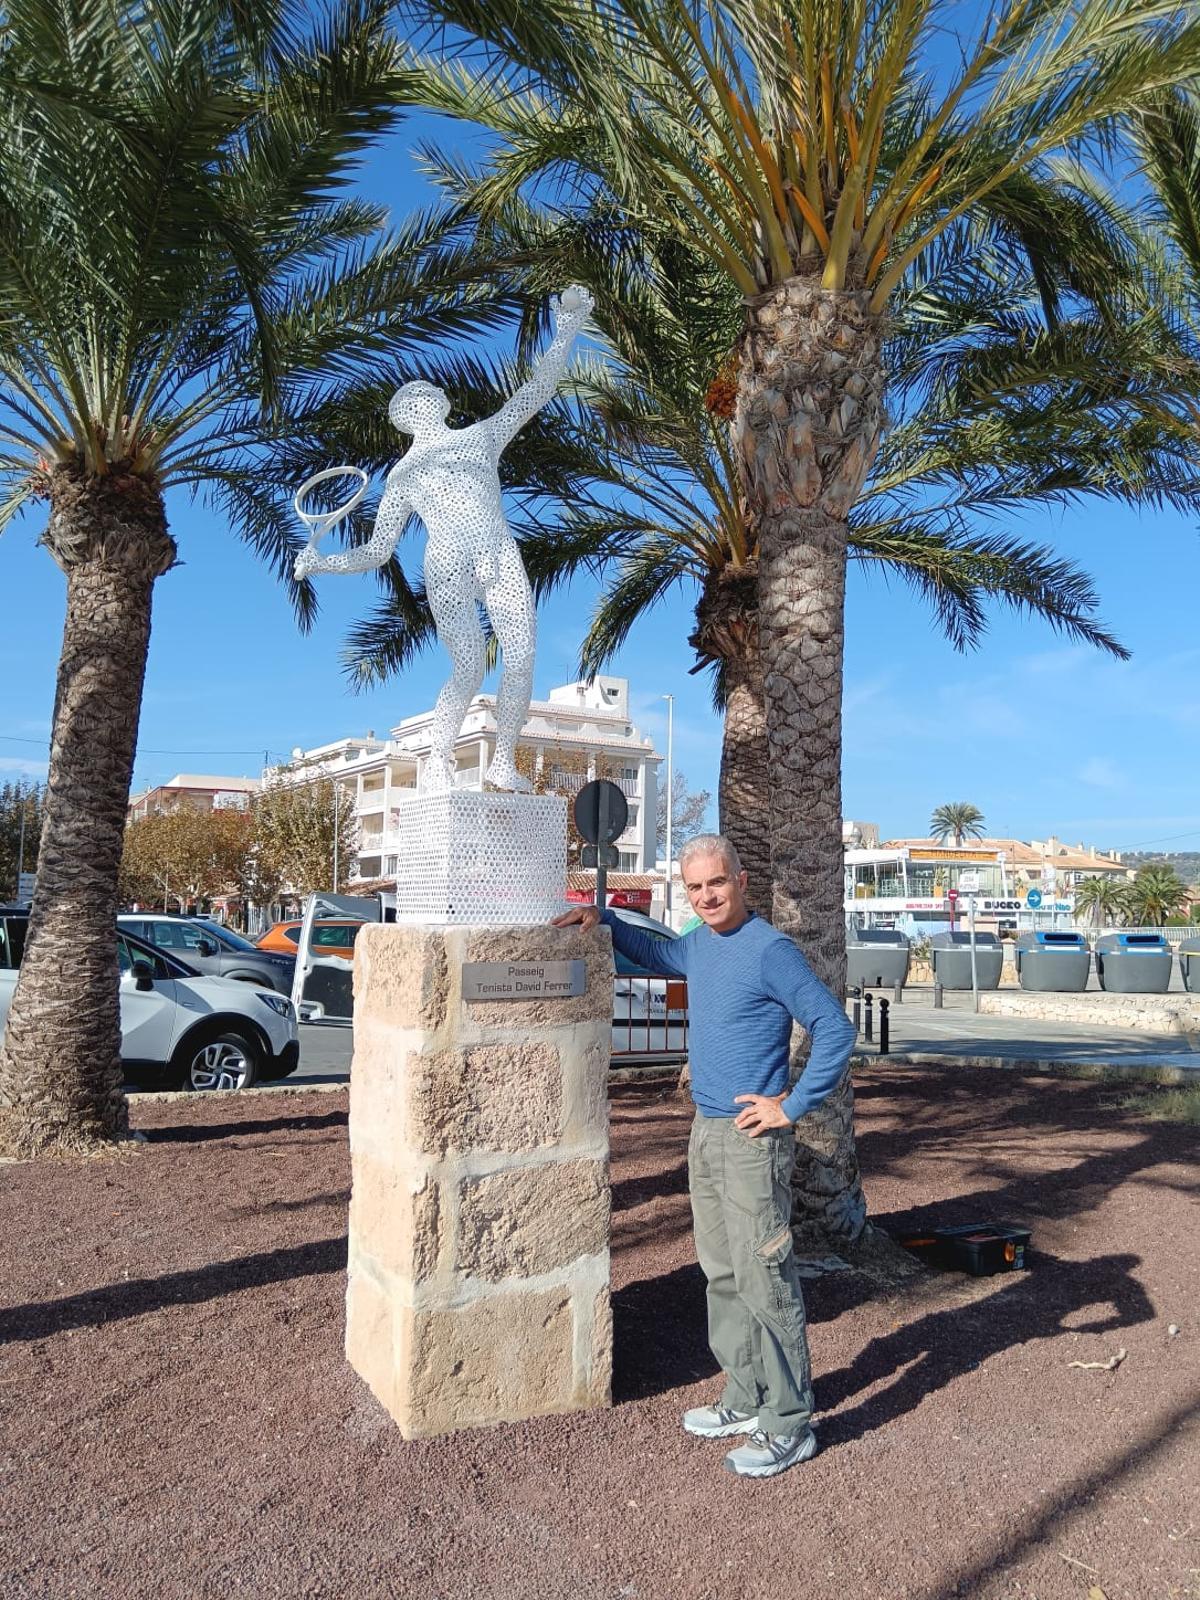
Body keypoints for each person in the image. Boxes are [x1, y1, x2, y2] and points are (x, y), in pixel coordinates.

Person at [554, 834, 856, 1479]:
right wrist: (603, 919)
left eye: (716, 883)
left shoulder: (770, 950)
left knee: (764, 1278)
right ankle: (746, 1395)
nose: (706, 896)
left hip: (752, 1140)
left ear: (741, 880)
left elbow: (834, 1027)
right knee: (720, 1272)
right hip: (706, 1130)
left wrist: (791, 1105)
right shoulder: (701, 943)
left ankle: (790, 1422)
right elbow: (658, 953)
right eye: (694, 888)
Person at [294, 286, 594, 793]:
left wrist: (566, 329)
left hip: (498, 551)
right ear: (402, 420)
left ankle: (503, 760)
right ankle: (437, 759)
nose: (417, 404)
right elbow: (377, 550)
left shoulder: (479, 436)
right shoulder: (404, 474)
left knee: (521, 656)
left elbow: (536, 392)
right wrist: (321, 564)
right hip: (447, 563)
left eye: (422, 397)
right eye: (406, 404)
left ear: (439, 402)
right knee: (469, 667)